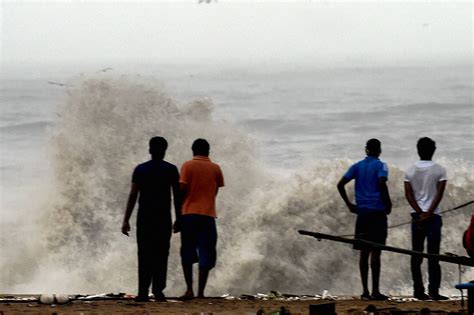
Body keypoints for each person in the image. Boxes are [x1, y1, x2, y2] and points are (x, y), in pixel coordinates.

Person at [121, 137, 180, 302]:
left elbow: (133, 195)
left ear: (150, 150)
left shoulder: (141, 169)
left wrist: (126, 220)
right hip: (163, 218)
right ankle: (158, 291)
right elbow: (177, 196)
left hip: (144, 218)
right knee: (161, 254)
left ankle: (142, 292)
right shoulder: (171, 170)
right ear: (165, 151)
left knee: (144, 254)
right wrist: (179, 218)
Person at [337, 139, 392, 301]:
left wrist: (349, 204)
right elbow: (382, 183)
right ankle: (375, 290)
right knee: (376, 252)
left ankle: (365, 291)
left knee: (363, 252)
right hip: (377, 213)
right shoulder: (381, 165)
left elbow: (340, 185)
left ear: (366, 150)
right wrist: (388, 203)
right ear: (380, 151)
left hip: (362, 214)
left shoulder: (357, 166)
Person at [175, 138, 224, 300]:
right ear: (208, 151)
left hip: (188, 214)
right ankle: (201, 292)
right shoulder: (216, 168)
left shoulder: (187, 166)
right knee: (206, 252)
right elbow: (215, 191)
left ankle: (189, 289)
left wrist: (178, 215)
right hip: (208, 215)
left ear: (193, 151)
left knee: (187, 251)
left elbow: (181, 190)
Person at [404, 137, 448, 301]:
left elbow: (408, 194)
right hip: (434, 216)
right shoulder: (440, 170)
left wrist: (420, 213)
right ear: (433, 150)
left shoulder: (410, 170)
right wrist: (429, 213)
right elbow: (439, 194)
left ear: (418, 150)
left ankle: (418, 291)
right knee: (433, 256)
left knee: (416, 255)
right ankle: (434, 291)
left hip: (417, 217)